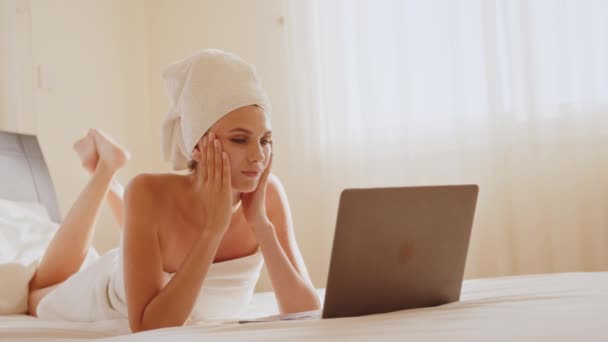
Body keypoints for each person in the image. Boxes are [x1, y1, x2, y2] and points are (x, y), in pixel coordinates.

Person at [26, 49, 321, 332]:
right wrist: (213, 230)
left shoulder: (267, 195)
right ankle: (104, 172)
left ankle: (108, 174)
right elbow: (149, 327)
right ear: (198, 144)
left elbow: (306, 310)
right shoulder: (146, 190)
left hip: (146, 258)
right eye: (240, 140)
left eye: (265, 140)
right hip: (107, 292)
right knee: (35, 296)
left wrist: (260, 224)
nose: (258, 156)